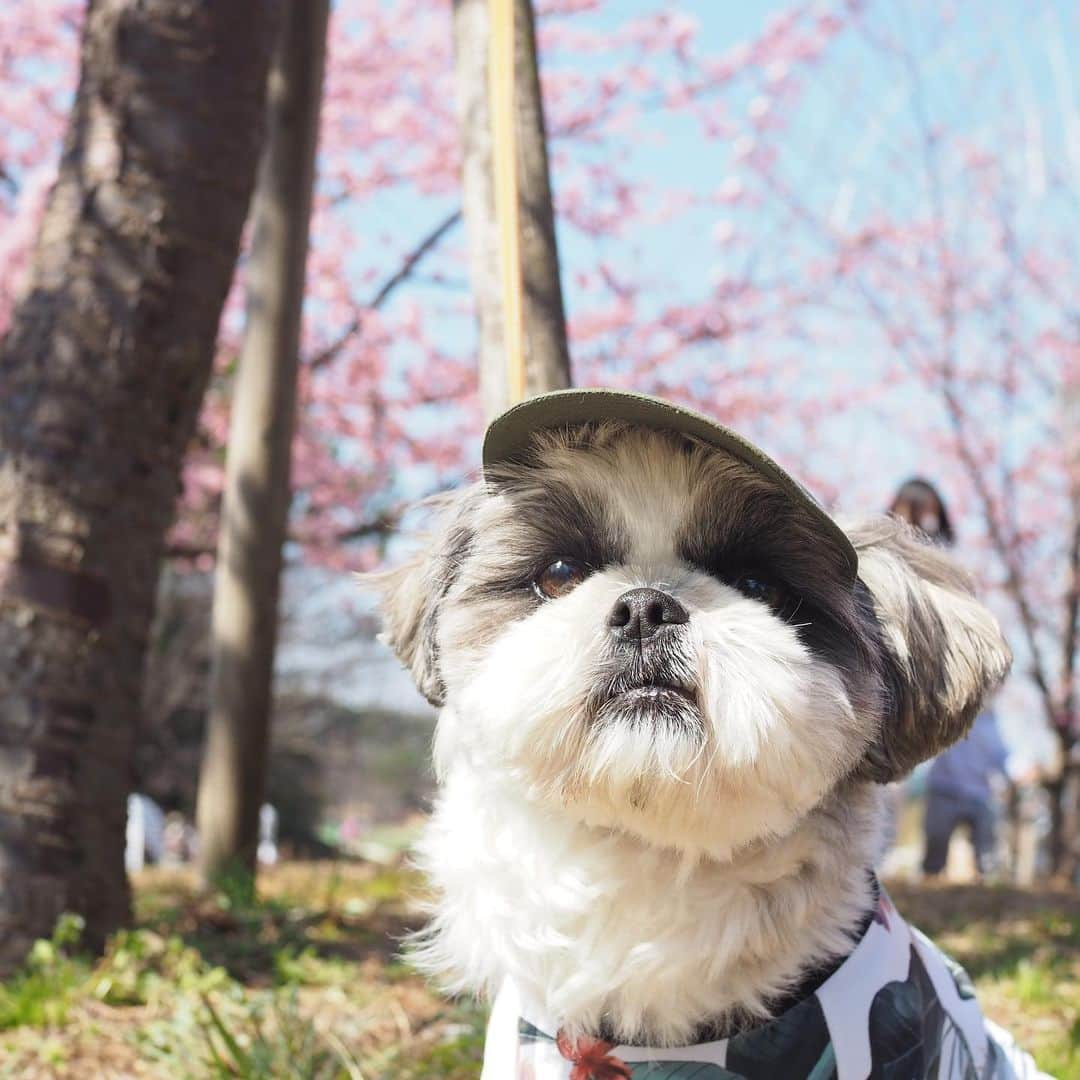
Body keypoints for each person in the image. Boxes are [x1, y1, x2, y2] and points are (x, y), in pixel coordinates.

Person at [921, 708, 1011, 878]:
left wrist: (1008, 782)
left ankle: (987, 881)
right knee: (936, 844)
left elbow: (1003, 759)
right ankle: (931, 876)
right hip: (944, 789)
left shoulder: (995, 724)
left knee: (986, 851)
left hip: (980, 794)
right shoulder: (948, 711)